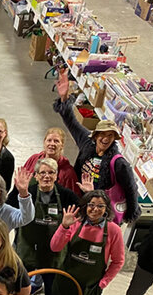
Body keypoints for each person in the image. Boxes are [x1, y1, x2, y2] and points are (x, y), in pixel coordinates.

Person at [53, 69, 140, 223]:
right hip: (80, 203)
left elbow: (131, 189)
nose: (106, 139)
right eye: (102, 134)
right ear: (96, 135)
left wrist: (130, 214)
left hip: (102, 213)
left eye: (110, 136)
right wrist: (64, 96)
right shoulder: (87, 143)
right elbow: (71, 121)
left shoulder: (119, 163)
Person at [49, 191, 125, 295]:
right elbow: (54, 247)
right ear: (85, 206)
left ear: (107, 208)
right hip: (67, 279)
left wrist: (103, 282)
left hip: (91, 284)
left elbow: (118, 261)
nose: (95, 209)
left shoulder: (113, 231)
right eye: (91, 205)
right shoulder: (75, 223)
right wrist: (64, 226)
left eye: (100, 206)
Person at [7, 158, 78, 295]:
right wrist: (17, 190)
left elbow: (82, 215)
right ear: (36, 176)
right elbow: (9, 206)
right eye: (42, 173)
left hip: (53, 256)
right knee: (18, 291)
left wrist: (88, 193)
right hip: (27, 251)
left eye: (51, 172)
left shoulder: (66, 196)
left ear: (56, 176)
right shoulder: (29, 191)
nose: (47, 176)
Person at [22, 128, 80, 195]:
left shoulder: (68, 173)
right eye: (49, 140)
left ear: (62, 145)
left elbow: (73, 197)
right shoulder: (33, 159)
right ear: (44, 142)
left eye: (56, 141)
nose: (52, 144)